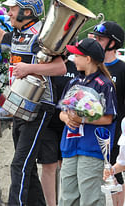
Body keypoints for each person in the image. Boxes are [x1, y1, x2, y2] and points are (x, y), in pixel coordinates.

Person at [0, 0, 66, 205]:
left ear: (28, 12)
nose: (8, 13)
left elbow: (60, 67)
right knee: (26, 169)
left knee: (18, 165)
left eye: (13, 9)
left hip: (39, 108)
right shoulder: (19, 33)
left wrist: (29, 68)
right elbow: (0, 36)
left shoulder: (41, 35)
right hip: (21, 106)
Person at [59, 38, 117, 206]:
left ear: (88, 58)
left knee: (90, 198)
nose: (73, 58)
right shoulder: (73, 82)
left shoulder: (105, 84)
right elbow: (61, 112)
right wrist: (67, 118)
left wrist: (83, 119)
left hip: (91, 147)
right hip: (70, 146)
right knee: (67, 197)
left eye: (77, 55)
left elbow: (108, 117)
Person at [37, 56, 78, 206]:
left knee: (66, 165)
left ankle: (66, 202)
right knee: (49, 165)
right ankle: (51, 204)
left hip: (68, 124)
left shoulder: (75, 67)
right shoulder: (44, 66)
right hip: (47, 122)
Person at [92, 21, 125, 206]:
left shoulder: (121, 69)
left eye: (100, 38)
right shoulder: (93, 67)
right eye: (95, 38)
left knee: (116, 174)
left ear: (113, 43)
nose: (96, 41)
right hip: (94, 129)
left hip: (116, 131)